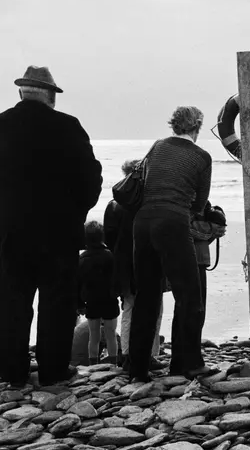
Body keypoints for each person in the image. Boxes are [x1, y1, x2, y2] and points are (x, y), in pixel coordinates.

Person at [0, 67, 103, 387]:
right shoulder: (67, 127)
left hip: (9, 233)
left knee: (12, 303)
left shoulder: (1, 125)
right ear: (50, 96)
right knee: (57, 304)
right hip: (58, 234)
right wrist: (76, 212)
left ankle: (13, 370)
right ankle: (52, 370)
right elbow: (91, 180)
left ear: (21, 93)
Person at [129, 106, 212, 382]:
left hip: (142, 221)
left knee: (146, 295)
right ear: (197, 126)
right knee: (189, 296)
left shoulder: (157, 147)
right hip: (173, 220)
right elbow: (199, 203)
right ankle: (186, 363)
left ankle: (137, 366)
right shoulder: (201, 156)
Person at [104, 160, 164, 371]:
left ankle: (127, 352)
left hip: (123, 262)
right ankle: (150, 353)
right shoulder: (149, 200)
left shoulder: (114, 204)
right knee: (154, 307)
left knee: (129, 307)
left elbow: (109, 237)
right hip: (148, 257)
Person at [77, 221, 119, 365]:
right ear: (102, 237)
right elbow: (116, 279)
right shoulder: (109, 256)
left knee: (93, 336)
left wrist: (79, 303)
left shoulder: (82, 259)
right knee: (111, 335)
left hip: (91, 301)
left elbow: (77, 284)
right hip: (109, 300)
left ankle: (93, 363)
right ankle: (113, 362)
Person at [189, 201, 227, 331]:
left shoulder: (188, 201)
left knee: (191, 304)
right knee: (197, 304)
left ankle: (190, 342)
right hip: (197, 259)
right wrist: (213, 230)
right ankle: (192, 342)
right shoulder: (199, 203)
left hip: (194, 258)